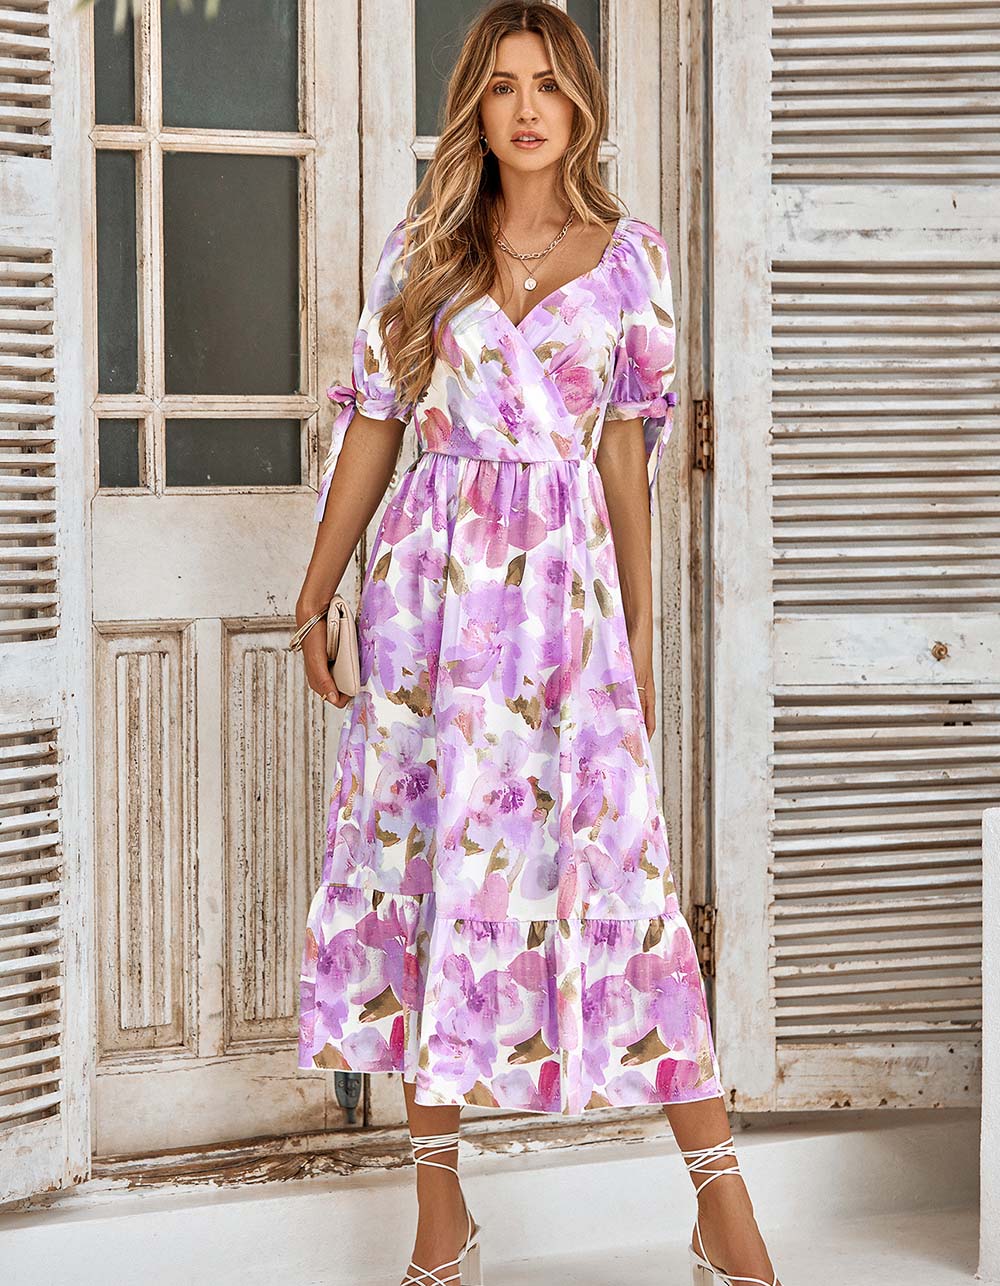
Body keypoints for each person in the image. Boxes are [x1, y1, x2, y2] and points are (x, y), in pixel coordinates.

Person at [292, 4, 783, 1284]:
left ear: (580, 106)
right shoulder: (423, 249)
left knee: (625, 884)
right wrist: (317, 592)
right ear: (477, 102)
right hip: (430, 602)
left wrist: (640, 640)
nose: (525, 108)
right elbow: (374, 422)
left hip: (566, 610)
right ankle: (437, 1214)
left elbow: (626, 461)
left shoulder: (632, 259)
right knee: (425, 868)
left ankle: (721, 1203)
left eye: (548, 85)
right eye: (503, 85)